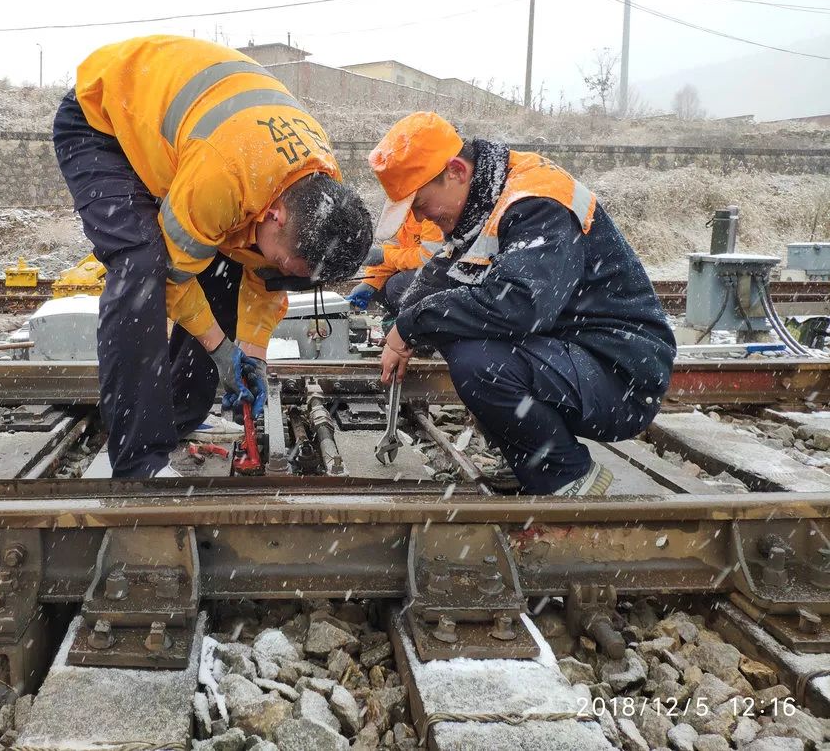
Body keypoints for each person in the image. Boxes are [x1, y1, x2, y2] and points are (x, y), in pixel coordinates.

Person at [53, 36, 372, 478]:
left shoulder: (313, 189)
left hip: (193, 140)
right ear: (275, 216)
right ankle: (137, 459)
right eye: (283, 263)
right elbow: (173, 280)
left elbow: (263, 277)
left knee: (225, 268)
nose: (278, 271)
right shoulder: (224, 177)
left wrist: (252, 356)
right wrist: (221, 348)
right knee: (142, 266)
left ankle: (180, 415)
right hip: (103, 123)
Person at [371, 112, 676, 495]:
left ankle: (567, 478)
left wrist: (413, 325)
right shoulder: (485, 199)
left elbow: (519, 304)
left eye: (420, 203)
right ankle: (530, 461)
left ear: (456, 171)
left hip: (621, 375)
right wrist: (404, 328)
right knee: (451, 330)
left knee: (478, 361)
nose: (418, 216)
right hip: (576, 356)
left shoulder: (536, 201)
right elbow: (444, 272)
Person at [344, 212, 444, 316]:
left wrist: (385, 256)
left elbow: (429, 256)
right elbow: (394, 246)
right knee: (380, 287)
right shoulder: (404, 211)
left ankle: (419, 322)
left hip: (443, 272)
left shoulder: (430, 211)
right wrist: (370, 283)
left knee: (397, 286)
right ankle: (398, 317)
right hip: (423, 269)